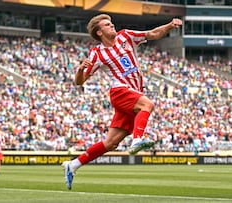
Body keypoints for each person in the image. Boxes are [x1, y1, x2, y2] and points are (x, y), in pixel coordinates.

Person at [61, 13, 182, 190]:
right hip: (120, 92)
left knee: (111, 143)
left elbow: (153, 34)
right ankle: (137, 139)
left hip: (134, 92)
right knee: (147, 105)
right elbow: (80, 82)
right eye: (107, 25)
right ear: (99, 32)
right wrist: (80, 69)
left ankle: (73, 165)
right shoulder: (97, 53)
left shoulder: (126, 36)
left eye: (111, 23)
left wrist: (170, 25)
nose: (112, 26)